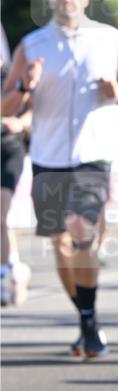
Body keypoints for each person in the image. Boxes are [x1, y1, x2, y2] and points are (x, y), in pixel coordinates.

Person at [1, 0, 118, 358]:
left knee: (80, 229)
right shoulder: (32, 45)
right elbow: (6, 104)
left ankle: (88, 322)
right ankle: (87, 320)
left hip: (94, 153)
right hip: (48, 157)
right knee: (59, 245)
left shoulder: (108, 38)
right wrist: (24, 86)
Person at [1, 58, 32, 306]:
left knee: (0, 214)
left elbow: (37, 107)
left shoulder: (15, 76)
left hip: (9, 150)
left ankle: (3, 275)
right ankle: (15, 267)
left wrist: (20, 123)